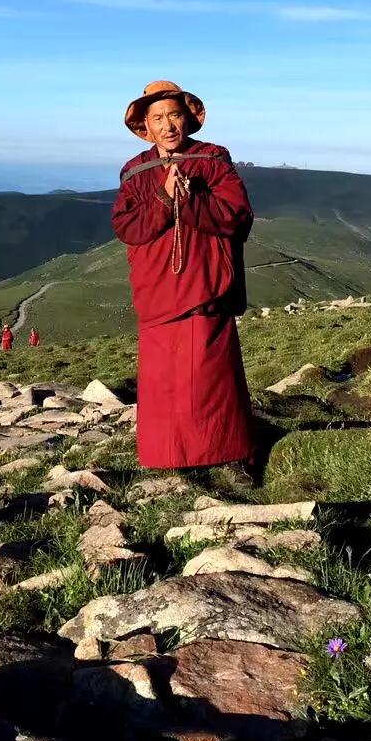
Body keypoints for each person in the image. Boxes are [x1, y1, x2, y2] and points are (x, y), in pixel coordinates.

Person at [111, 80, 255, 472]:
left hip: (206, 285)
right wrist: (163, 198)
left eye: (174, 115)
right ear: (146, 127)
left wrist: (192, 199)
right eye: (158, 118)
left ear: (188, 119)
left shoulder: (212, 159)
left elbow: (237, 215)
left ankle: (229, 458)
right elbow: (127, 227)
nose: (168, 125)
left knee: (212, 376)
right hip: (158, 291)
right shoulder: (135, 171)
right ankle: (168, 458)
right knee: (164, 382)